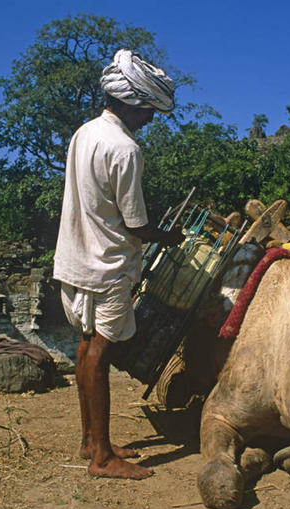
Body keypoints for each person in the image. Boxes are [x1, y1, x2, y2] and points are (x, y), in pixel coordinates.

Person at [53, 49, 184, 480]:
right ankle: (103, 459)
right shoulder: (125, 149)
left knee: (86, 344)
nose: (149, 117)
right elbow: (137, 225)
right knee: (100, 352)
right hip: (106, 265)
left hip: (74, 259)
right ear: (131, 103)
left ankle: (92, 440)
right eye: (147, 109)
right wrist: (172, 237)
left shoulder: (83, 133)